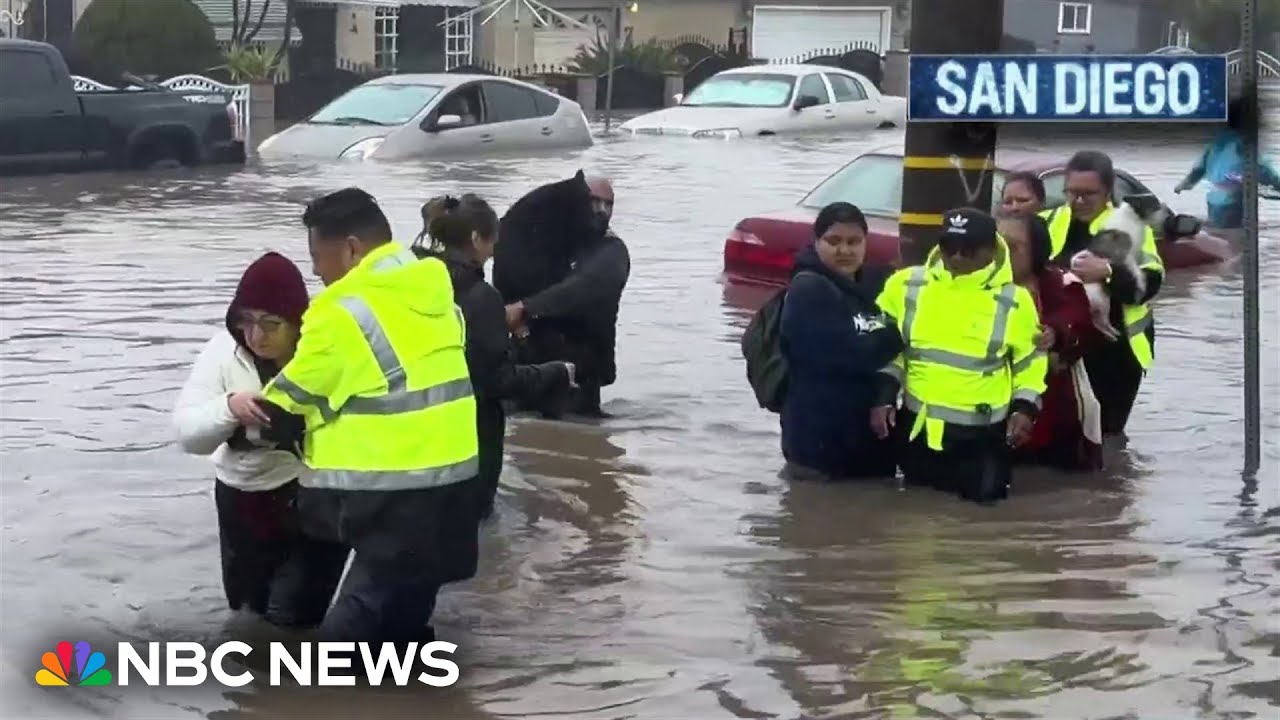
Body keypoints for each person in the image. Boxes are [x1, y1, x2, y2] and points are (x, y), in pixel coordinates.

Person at [243, 188, 483, 645]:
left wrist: (244, 415)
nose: (315, 270)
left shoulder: (341, 312)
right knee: (404, 627)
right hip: (454, 485)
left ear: (351, 248)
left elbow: (287, 404)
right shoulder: (436, 292)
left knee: (344, 651)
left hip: (392, 498)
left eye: (317, 256)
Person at [172, 252, 348, 629]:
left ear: (298, 324)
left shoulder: (325, 350)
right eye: (246, 322)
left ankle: (305, 686)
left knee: (292, 622)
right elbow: (188, 435)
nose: (256, 336)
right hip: (241, 499)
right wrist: (230, 407)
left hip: (311, 496)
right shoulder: (223, 352)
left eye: (271, 324)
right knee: (246, 616)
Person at [412, 193, 575, 519]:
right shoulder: (480, 297)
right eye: (491, 242)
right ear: (475, 239)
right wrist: (557, 372)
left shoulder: (414, 283)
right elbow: (497, 381)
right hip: (470, 438)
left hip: (419, 433)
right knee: (473, 533)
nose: (493, 251)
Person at [871, 208, 1046, 505]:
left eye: (969, 250)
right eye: (950, 248)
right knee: (913, 524)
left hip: (983, 440)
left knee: (981, 529)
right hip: (919, 433)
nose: (958, 257)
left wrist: (1024, 410)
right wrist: (884, 397)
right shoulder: (905, 285)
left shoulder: (1014, 300)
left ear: (991, 250)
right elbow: (888, 349)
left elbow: (1029, 363)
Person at [1039, 150, 1164, 436]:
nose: (1078, 201)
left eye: (1089, 194)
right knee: (1058, 441)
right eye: (1072, 192)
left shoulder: (1131, 228)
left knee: (1107, 441)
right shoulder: (1045, 222)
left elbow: (1149, 285)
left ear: (1108, 191)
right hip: (1057, 350)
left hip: (1115, 357)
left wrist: (1108, 273)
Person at [778, 202, 902, 480]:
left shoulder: (877, 284)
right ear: (816, 241)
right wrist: (896, 335)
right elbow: (851, 355)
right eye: (833, 241)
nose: (844, 250)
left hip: (868, 442)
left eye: (853, 241)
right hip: (817, 445)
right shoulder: (807, 289)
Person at [501, 176, 630, 417]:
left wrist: (525, 308)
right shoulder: (554, 245)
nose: (602, 210)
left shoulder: (613, 252)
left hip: (580, 377)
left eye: (608, 204)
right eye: (594, 201)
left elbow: (583, 287)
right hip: (531, 368)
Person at [999, 213, 1104, 471]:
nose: (1002, 254)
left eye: (1013, 247)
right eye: (997, 245)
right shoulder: (979, 285)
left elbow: (1080, 321)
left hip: (1055, 408)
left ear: (1037, 250)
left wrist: (1055, 334)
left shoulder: (1061, 283)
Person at [1174, 96, 1280, 229]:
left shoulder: (1217, 141)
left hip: (1213, 200)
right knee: (1239, 236)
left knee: (1219, 233)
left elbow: (1198, 169)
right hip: (1233, 203)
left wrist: (1184, 185)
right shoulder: (1245, 144)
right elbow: (1266, 170)